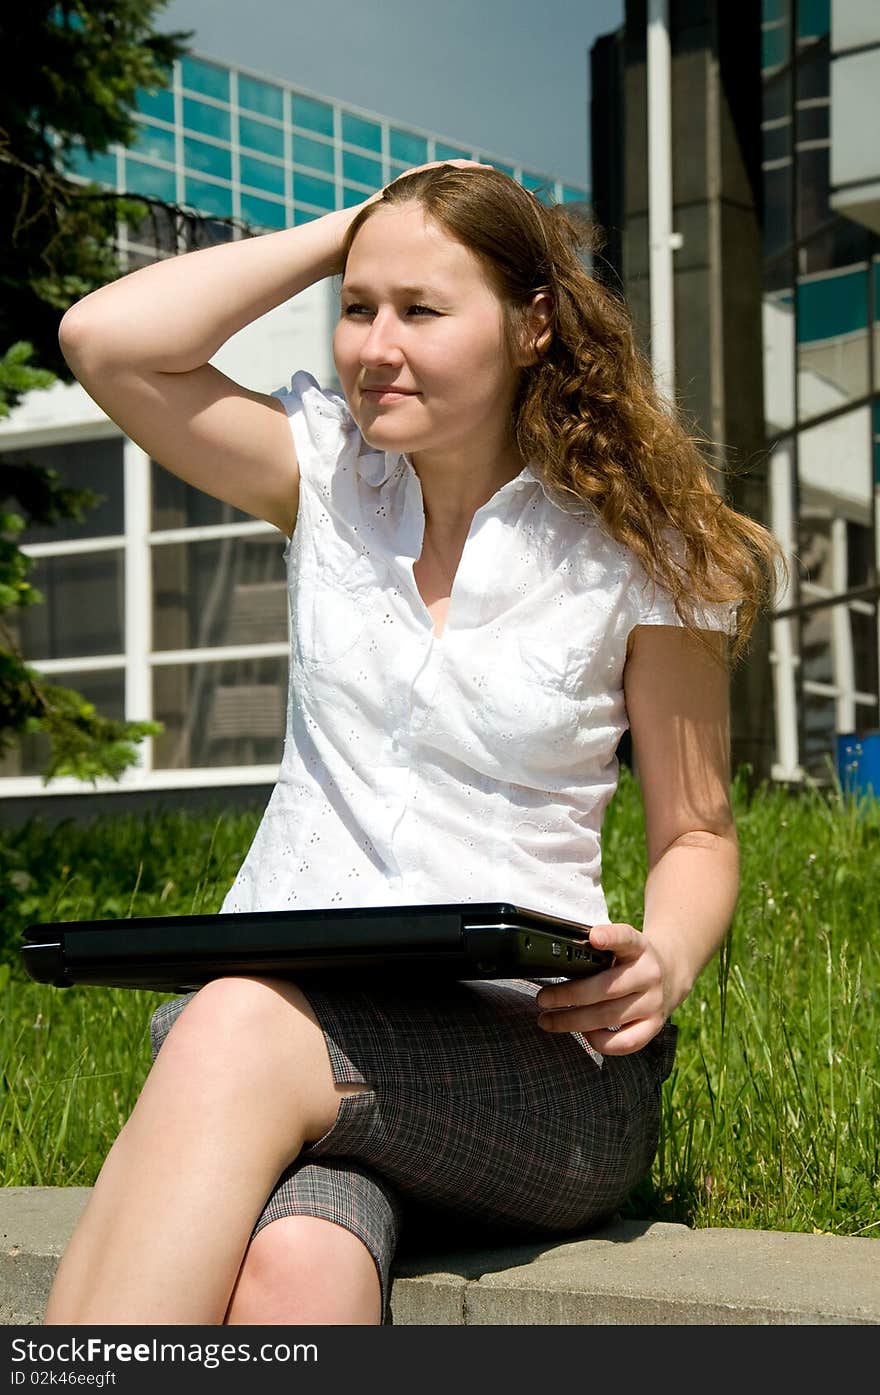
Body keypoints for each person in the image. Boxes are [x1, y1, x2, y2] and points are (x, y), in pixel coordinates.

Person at [44, 160, 786, 1327]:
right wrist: (366, 223)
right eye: (358, 306)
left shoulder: (639, 545)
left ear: (533, 323)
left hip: (533, 1069)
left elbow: (694, 829)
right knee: (299, 1265)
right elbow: (105, 338)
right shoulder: (329, 478)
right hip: (300, 1059)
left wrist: (667, 959)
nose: (375, 345)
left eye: (422, 310)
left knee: (234, 1015)